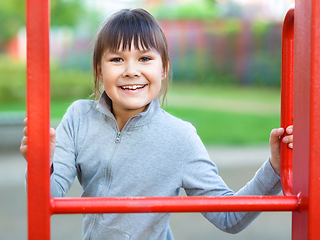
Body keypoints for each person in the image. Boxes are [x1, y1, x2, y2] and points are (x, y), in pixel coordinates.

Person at [20, 8, 293, 240]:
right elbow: (46, 196)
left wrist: (274, 170)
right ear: (99, 71)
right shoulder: (79, 118)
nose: (131, 70)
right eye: (117, 59)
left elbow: (229, 216)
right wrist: (41, 162)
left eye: (145, 58)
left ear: (163, 68)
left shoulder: (180, 137)